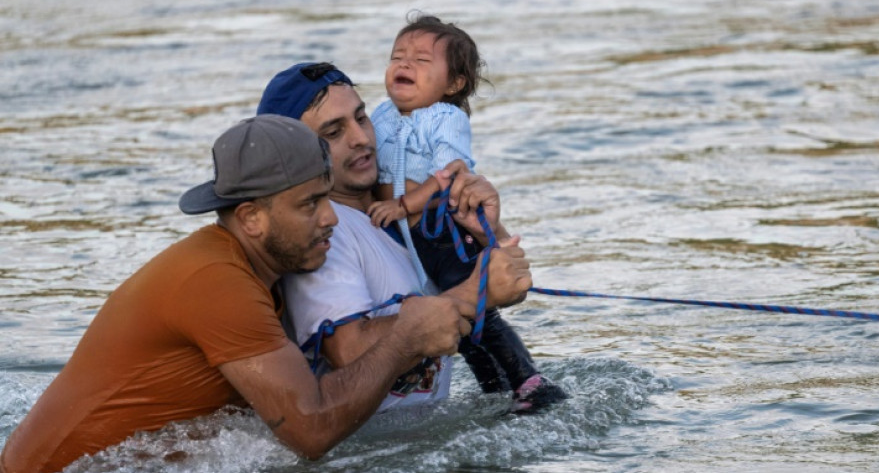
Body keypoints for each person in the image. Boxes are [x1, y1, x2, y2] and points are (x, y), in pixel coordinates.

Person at [0, 115, 529, 473]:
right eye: (309, 205)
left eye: (328, 198)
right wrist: (410, 335)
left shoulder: (262, 274)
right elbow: (312, 431)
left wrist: (479, 250)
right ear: (251, 218)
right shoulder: (214, 283)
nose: (330, 220)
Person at [256, 57, 565, 413]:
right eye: (332, 133)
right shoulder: (322, 233)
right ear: (291, 156)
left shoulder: (405, 206)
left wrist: (488, 233)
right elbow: (348, 352)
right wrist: (472, 291)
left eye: (360, 117)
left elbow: (508, 293)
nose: (362, 139)